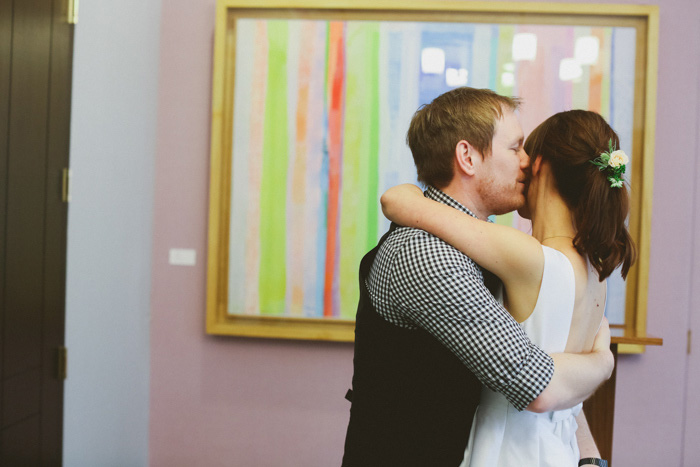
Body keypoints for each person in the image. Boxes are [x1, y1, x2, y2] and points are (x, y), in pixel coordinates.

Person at [341, 87, 615, 467]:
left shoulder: (490, 249)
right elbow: (532, 380)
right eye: (516, 147)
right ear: (467, 157)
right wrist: (603, 362)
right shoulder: (428, 254)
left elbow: (545, 356)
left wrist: (589, 460)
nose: (527, 162)